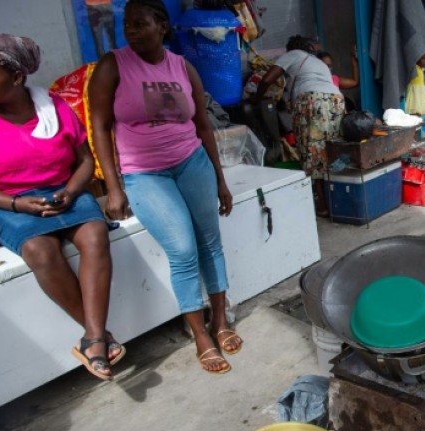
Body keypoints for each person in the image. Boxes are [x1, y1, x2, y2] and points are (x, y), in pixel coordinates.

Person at [0, 34, 121, 381]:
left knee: (94, 235)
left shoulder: (54, 107)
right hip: (9, 202)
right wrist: (16, 203)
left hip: (63, 192)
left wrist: (71, 192)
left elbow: (84, 160)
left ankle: (92, 339)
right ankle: (98, 338)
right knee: (41, 251)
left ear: (16, 78)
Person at [89, 0, 242, 375]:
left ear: (162, 26)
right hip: (145, 174)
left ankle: (220, 321)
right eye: (128, 25)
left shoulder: (182, 66)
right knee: (183, 249)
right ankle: (200, 336)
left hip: (192, 163)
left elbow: (203, 125)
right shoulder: (112, 66)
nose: (132, 31)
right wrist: (113, 187)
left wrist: (220, 180)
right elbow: (100, 126)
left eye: (141, 24)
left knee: (210, 241)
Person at [255, 35, 344, 215]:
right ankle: (339, 200)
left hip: (313, 102)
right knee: (331, 150)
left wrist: (256, 99)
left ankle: (323, 207)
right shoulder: (317, 63)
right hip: (335, 101)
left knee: (312, 153)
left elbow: (267, 79)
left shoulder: (294, 54)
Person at [405, 52, 425, 117]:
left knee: (419, 113)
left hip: (421, 94)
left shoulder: (423, 70)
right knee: (414, 112)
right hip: (414, 94)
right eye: (423, 58)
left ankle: (417, 126)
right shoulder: (414, 67)